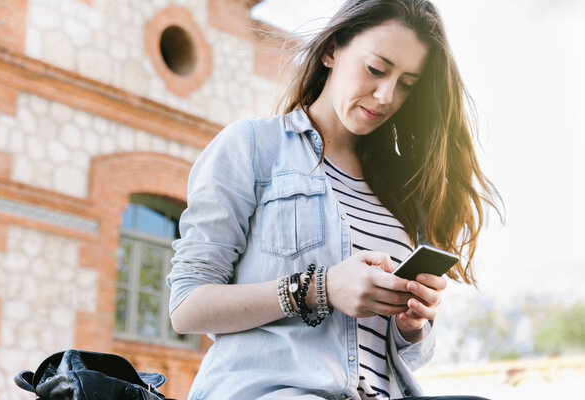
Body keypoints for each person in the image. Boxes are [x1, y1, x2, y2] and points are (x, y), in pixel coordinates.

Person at [166, 0, 500, 399]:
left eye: (407, 83)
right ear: (331, 50)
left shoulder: (403, 189)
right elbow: (187, 307)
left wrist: (413, 325)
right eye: (376, 69)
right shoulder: (254, 146)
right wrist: (319, 288)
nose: (385, 95)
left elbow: (400, 356)